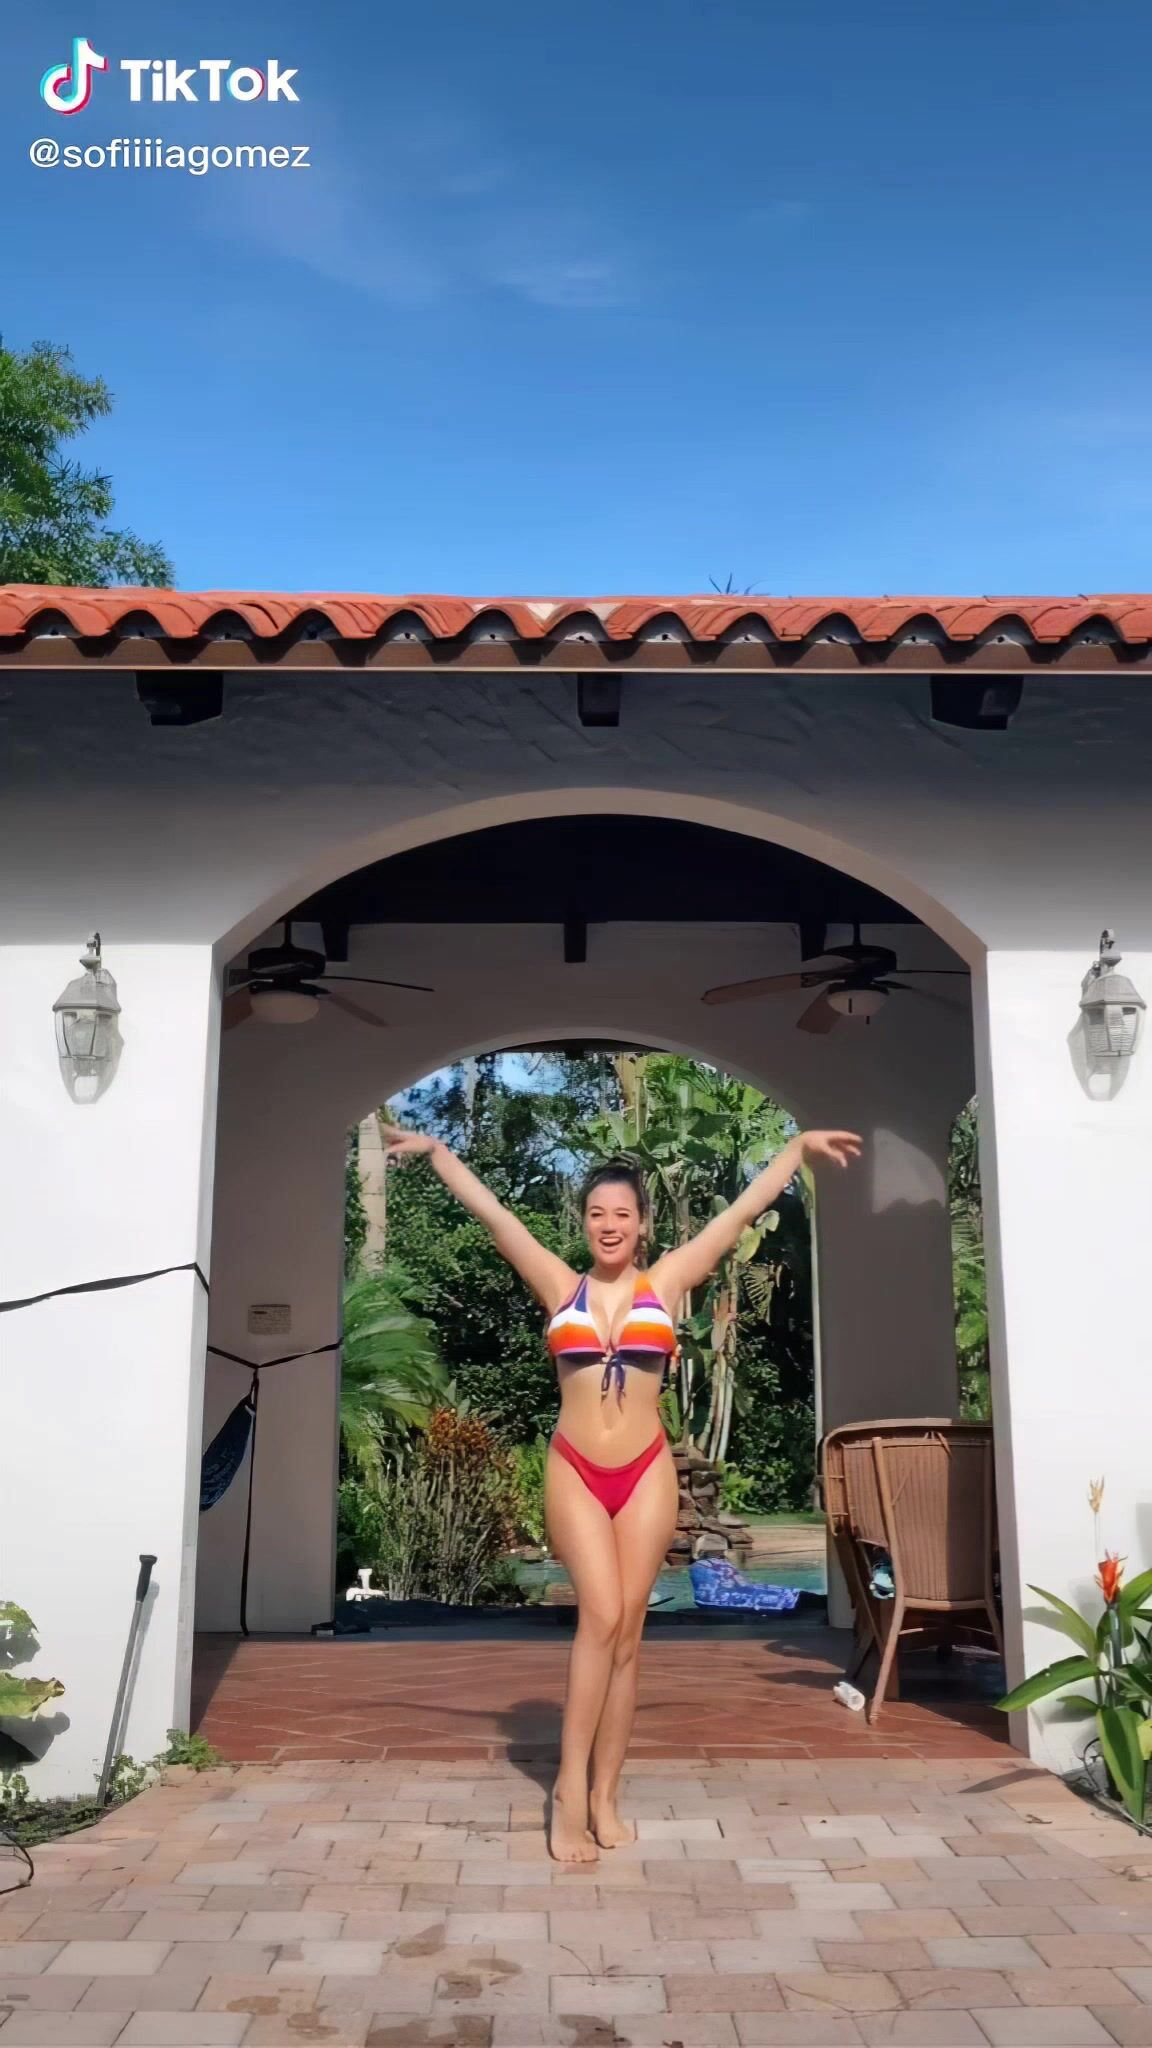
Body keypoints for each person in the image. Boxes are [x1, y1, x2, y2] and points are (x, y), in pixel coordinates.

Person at [380, 1120, 861, 1862]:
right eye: (596, 1213)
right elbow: (496, 1217)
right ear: (584, 1222)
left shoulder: (665, 1283)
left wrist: (794, 1154)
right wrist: (440, 1155)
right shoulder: (559, 1285)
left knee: (630, 1637)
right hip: (575, 1467)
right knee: (600, 1616)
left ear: (642, 1225)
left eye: (622, 1214)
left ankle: (607, 1794)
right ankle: (569, 1793)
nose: (609, 1225)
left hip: (646, 1472)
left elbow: (739, 1215)